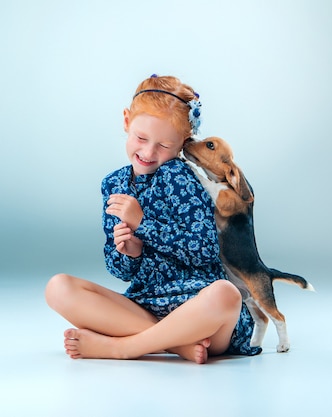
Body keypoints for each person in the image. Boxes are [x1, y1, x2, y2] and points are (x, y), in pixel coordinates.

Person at [44, 74, 262, 364]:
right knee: (58, 287)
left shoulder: (180, 178)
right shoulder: (114, 184)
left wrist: (144, 225)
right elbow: (120, 269)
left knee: (226, 294)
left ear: (182, 143)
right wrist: (130, 253)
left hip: (197, 308)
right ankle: (175, 344)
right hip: (146, 305)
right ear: (126, 121)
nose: (148, 152)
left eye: (164, 145)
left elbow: (205, 250)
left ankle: (122, 348)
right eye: (141, 138)